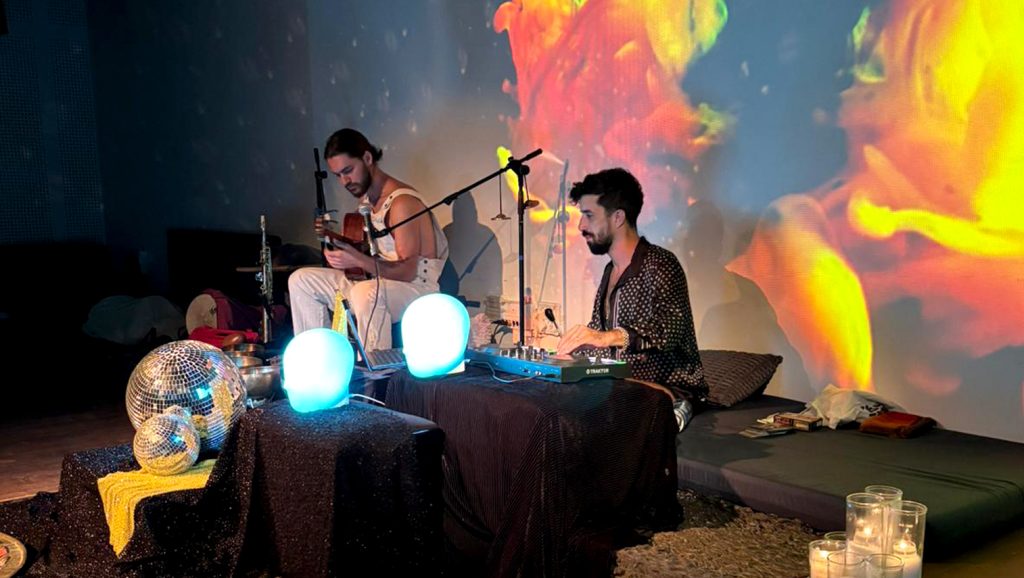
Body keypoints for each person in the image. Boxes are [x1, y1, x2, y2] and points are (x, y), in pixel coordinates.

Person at [555, 168, 707, 429]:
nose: (581, 226)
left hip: (667, 389)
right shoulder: (610, 270)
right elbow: (599, 335)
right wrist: (568, 353)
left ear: (618, 217)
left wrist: (606, 337)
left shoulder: (661, 264)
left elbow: (667, 331)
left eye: (589, 215)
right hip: (621, 385)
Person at [288, 128, 449, 351]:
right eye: (338, 175)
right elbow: (367, 252)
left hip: (414, 288)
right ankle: (318, 358)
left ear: (367, 158)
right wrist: (335, 244)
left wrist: (357, 260)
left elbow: (407, 271)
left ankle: (376, 365)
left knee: (364, 293)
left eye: (348, 171)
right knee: (301, 280)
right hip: (376, 282)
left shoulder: (402, 203)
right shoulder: (366, 201)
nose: (344, 181)